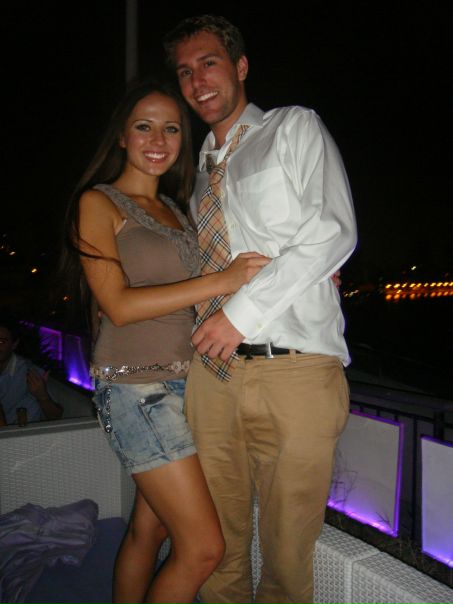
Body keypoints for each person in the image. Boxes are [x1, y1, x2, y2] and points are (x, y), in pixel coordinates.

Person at [163, 15, 358, 604]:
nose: (197, 81)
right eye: (185, 72)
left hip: (294, 369)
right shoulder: (198, 175)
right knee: (216, 550)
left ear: (241, 66)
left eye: (209, 63)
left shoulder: (293, 128)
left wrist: (238, 314)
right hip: (211, 378)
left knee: (287, 560)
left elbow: (332, 231)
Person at [61, 77, 270, 604]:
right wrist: (222, 281)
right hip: (138, 391)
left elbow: (229, 263)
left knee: (149, 530)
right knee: (203, 550)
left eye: (172, 128)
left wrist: (306, 274)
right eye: (144, 127)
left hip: (188, 385)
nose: (158, 140)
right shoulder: (99, 202)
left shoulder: (178, 210)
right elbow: (119, 306)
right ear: (122, 137)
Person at [0, 315, 63, 426]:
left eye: (1, 342)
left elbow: (56, 416)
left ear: (14, 344)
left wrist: (42, 396)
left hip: (24, 434)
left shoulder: (29, 372)